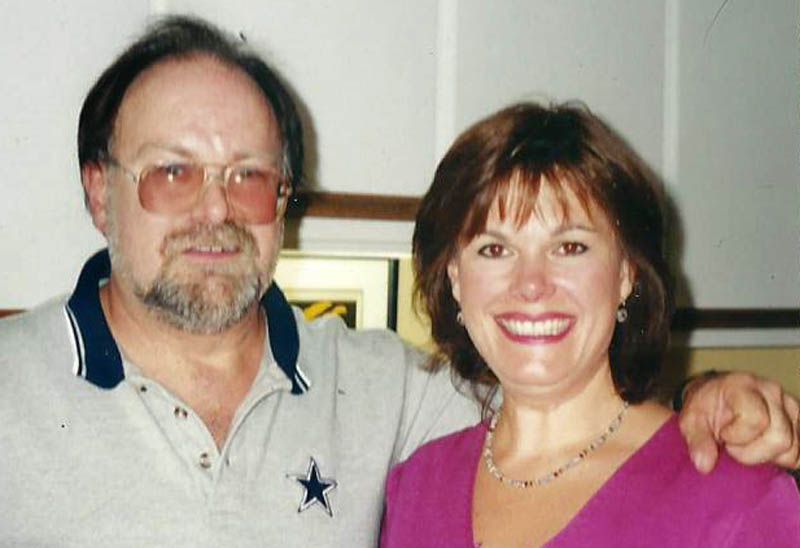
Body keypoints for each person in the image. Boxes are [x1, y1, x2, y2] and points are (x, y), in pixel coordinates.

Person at [0, 15, 795, 547]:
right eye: (172, 171)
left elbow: (560, 394)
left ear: (282, 201)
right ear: (100, 189)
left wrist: (714, 395)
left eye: (248, 175)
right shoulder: (10, 389)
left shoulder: (387, 393)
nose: (217, 210)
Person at [380, 102, 800, 547]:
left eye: (570, 247)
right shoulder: (417, 486)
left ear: (625, 273)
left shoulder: (733, 498)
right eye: (494, 250)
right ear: (456, 279)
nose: (531, 285)